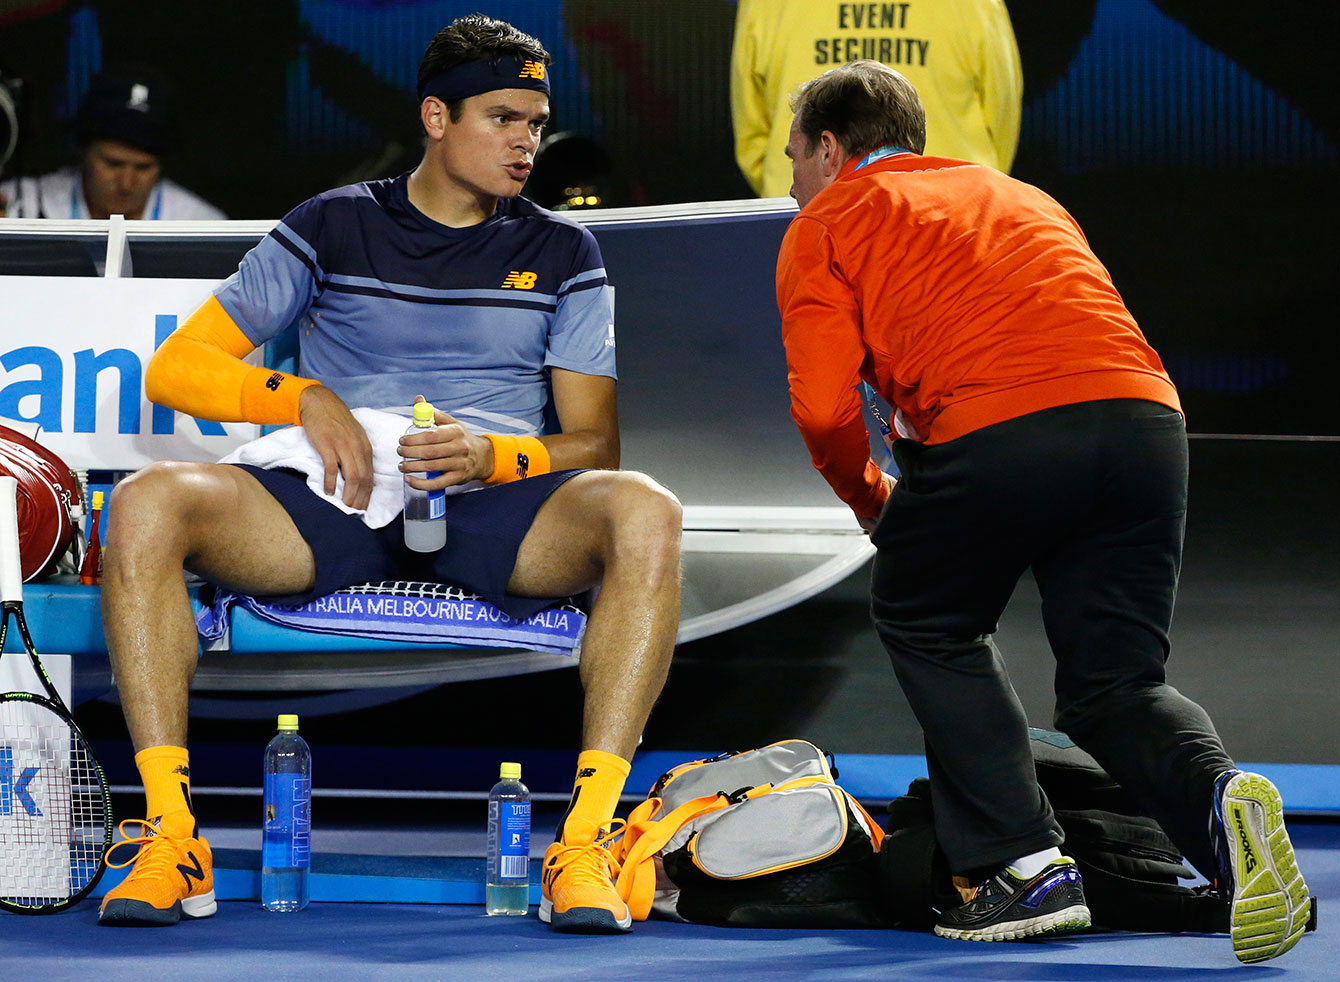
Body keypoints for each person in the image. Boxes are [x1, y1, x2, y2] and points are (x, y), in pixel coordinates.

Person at [96, 15, 681, 936]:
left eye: (535, 121)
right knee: (143, 503)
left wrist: (498, 455)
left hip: (496, 505)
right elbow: (178, 370)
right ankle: (173, 835)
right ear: (436, 118)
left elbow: (593, 446)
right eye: (503, 118)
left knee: (645, 509)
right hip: (338, 495)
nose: (527, 141)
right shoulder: (329, 223)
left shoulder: (568, 252)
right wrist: (300, 398)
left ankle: (584, 841)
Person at [774, 61, 1311, 962]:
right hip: (1147, 425)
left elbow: (823, 411)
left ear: (831, 148)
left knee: (925, 616)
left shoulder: (828, 219)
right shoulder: (1019, 193)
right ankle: (1223, 816)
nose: (789, 180)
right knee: (1117, 685)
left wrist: (877, 504)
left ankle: (1023, 869)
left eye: (792, 157)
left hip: (997, 426)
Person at [730, 0, 1021, 199]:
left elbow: (752, 135)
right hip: (951, 213)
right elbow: (1001, 111)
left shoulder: (767, 5)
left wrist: (796, 184)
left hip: (810, 220)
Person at [0, 68, 224, 219]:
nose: (126, 184)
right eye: (113, 164)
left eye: (143, 167)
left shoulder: (203, 225)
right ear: (82, 151)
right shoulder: (18, 206)